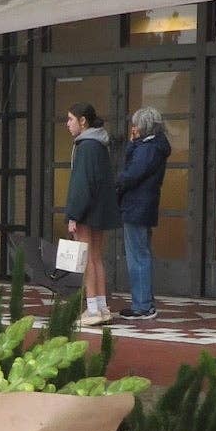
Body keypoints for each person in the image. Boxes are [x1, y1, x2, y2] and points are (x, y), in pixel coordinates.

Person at [64, 101, 119, 329]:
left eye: (70, 119)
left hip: (86, 211)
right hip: (100, 209)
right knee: (96, 257)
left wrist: (73, 215)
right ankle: (102, 307)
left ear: (83, 121)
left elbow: (81, 184)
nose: (68, 124)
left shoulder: (85, 146)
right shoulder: (100, 144)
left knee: (86, 259)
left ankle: (93, 309)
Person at [115, 106, 172, 322]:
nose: (133, 128)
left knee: (137, 256)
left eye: (136, 124)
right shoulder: (153, 146)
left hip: (136, 207)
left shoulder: (148, 149)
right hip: (142, 206)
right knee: (141, 253)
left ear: (144, 126)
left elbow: (131, 173)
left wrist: (116, 183)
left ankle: (142, 306)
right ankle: (144, 303)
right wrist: (132, 144)